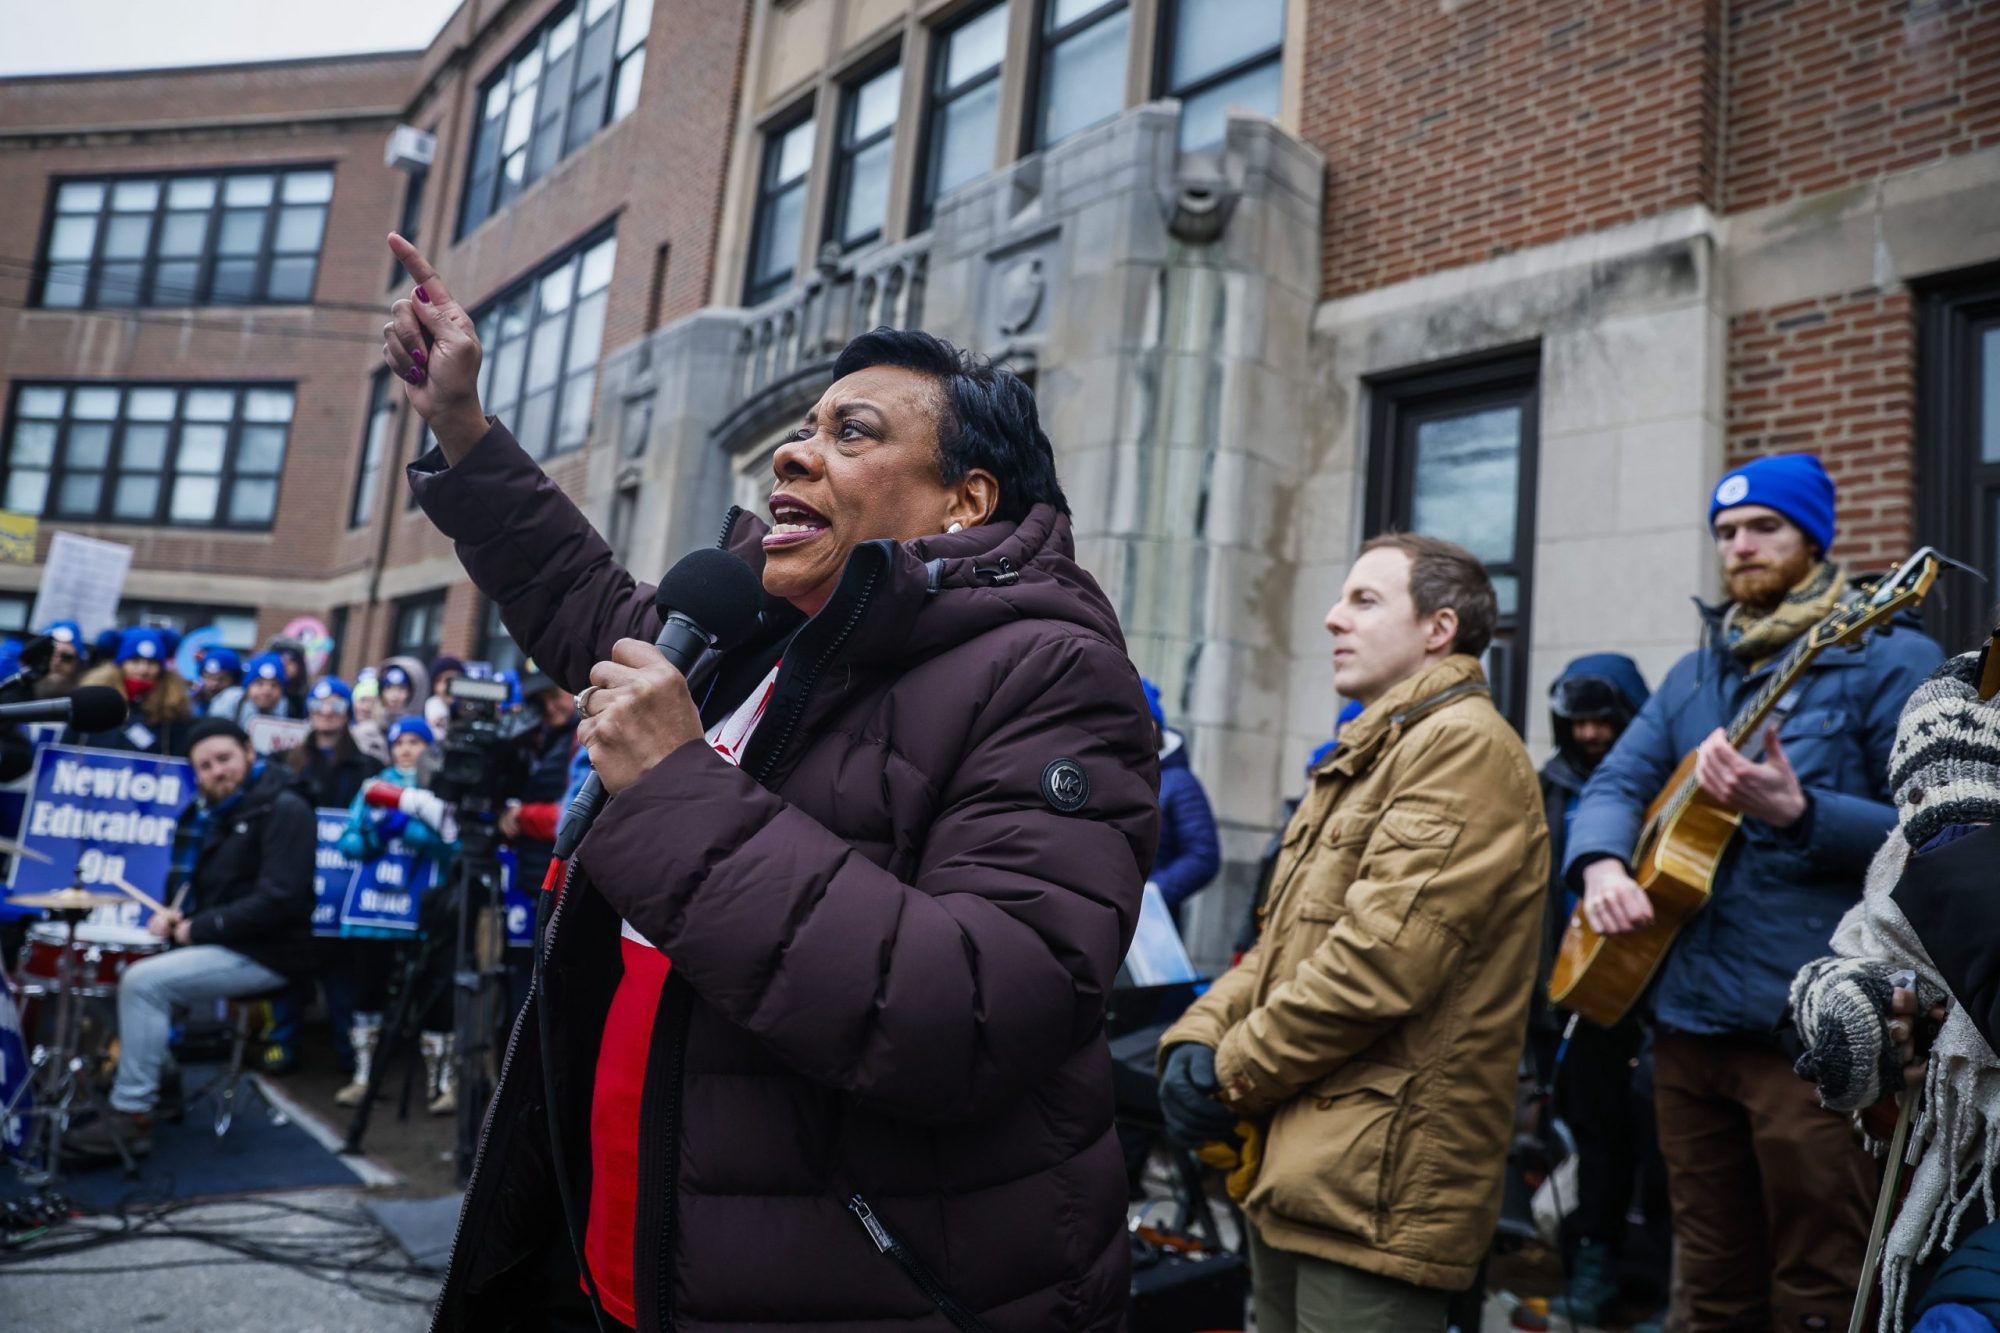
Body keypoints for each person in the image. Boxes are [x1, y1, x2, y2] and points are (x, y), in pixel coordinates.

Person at [383, 232, 1157, 1333]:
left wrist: (674, 789)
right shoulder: (750, 633)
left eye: (851, 433)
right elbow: (574, 591)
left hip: (863, 1291)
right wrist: (459, 424)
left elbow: (978, 1006)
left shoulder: (1051, 673)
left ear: (962, 504)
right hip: (634, 1262)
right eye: (800, 430)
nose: (793, 455)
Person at [1566, 452, 1944, 1331]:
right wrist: (1601, 865)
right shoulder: (1696, 675)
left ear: (1813, 536)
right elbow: (1616, 783)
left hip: (1811, 1035)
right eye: (1726, 531)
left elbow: (1938, 830)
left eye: (1763, 526)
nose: (1740, 546)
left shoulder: (1891, 656)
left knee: (1821, 1280)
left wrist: (1803, 810)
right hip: (1687, 1027)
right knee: (1707, 1278)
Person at [1157, 533, 1549, 1332]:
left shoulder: (1463, 748)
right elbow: (1277, 943)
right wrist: (1196, 1038)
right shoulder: (1369, 751)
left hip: (1379, 1189)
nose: (1334, 618)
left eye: (1365, 600)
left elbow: (1379, 964)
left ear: (1439, 628)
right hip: (1302, 1165)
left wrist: (1228, 1073)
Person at [64, 719, 316, 1157]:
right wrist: (182, 916)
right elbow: (224, 892)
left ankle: (132, 1115)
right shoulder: (216, 814)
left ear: (249, 754)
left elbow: (282, 899)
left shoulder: (285, 808)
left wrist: (199, 927)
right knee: (110, 975)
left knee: (144, 983)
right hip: (227, 943)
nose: (217, 771)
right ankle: (159, 1075)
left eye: (224, 759)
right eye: (205, 766)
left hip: (270, 953)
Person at [1535, 654, 1669, 1328]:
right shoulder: (1549, 786)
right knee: (1597, 1143)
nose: (1590, 734)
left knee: (1667, 1148)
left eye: (1604, 720)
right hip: (1579, 999)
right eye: (1577, 722)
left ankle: (1677, 1290)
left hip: (1656, 999)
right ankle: (1595, 1269)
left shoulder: (1663, 782)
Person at [332, 715, 461, 1114]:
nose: (406, 749)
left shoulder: (439, 785)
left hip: (424, 910)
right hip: (375, 912)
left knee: (432, 992)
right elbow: (347, 844)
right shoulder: (372, 787)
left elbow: (454, 847)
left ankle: (442, 1084)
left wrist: (409, 829)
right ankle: (363, 1076)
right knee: (369, 988)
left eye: (414, 742)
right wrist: (374, 834)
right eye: (398, 742)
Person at [1140, 678, 1220, 928]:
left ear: (1153, 726)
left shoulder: (1181, 783)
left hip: (1149, 925)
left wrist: (1150, 894)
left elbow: (1203, 855)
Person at [63, 627, 196, 756]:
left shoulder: (172, 711)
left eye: (151, 663)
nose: (143, 670)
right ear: (120, 666)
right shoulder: (93, 704)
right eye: (135, 661)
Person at [288, 677, 379, 807]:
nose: (326, 712)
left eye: (337, 706)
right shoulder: (287, 760)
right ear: (309, 712)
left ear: (347, 714)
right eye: (317, 705)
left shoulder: (369, 766)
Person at [216, 652, 296, 729]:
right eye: (259, 684)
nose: (266, 691)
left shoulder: (287, 708)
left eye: (274, 685)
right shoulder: (230, 700)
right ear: (248, 686)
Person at [33, 620, 84, 700]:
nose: (56, 662)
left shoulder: (83, 704)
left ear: (77, 662)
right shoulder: (15, 696)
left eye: (66, 657)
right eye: (50, 655)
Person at [196, 647, 244, 715]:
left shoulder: (239, 706)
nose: (214, 684)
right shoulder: (193, 701)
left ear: (234, 680)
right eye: (209, 677)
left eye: (221, 679)